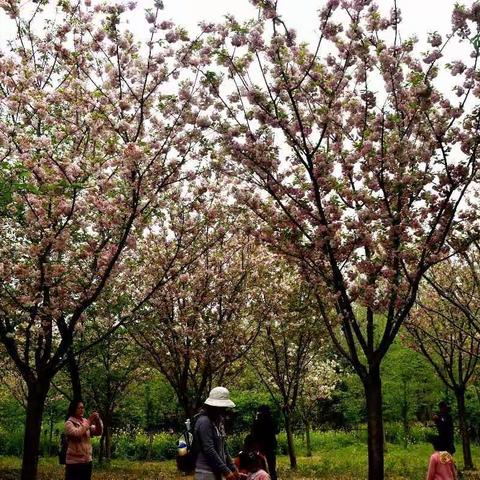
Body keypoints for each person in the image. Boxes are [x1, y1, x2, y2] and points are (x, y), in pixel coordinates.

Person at [194, 386, 239, 480]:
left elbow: (223, 446)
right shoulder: (204, 422)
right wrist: (226, 471)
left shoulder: (219, 421)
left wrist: (232, 467)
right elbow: (209, 449)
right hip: (206, 472)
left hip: (217, 471)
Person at [64, 399, 103, 480]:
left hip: (87, 461)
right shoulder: (69, 423)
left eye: (83, 408)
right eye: (80, 408)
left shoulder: (84, 421)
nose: (82, 410)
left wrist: (98, 420)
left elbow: (98, 432)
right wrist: (89, 420)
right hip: (74, 463)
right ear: (74, 409)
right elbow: (77, 433)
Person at [251, 405, 278, 480]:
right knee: (272, 468)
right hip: (270, 447)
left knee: (260, 467)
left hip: (259, 447)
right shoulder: (272, 421)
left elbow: (253, 435)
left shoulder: (256, 422)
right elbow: (276, 434)